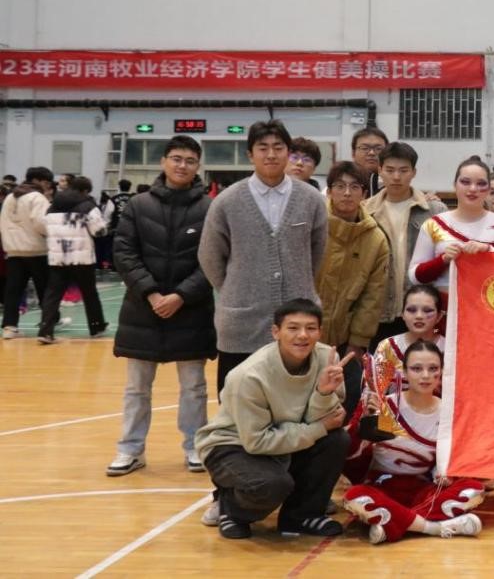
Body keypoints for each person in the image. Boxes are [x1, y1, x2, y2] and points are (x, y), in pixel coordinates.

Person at [194, 299, 351, 540]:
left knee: (336, 439)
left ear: (320, 332)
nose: (302, 335)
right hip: (233, 444)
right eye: (293, 328)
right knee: (272, 484)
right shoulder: (249, 375)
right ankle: (232, 510)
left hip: (284, 435)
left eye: (310, 328)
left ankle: (301, 516)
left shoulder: (327, 359)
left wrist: (323, 393)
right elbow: (256, 442)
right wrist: (317, 428)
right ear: (276, 332)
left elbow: (332, 419)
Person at [107, 136, 214, 477]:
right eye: (176, 158)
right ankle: (130, 449)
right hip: (143, 311)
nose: (182, 165)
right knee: (136, 388)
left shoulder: (209, 208)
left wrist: (181, 295)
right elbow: (124, 253)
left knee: (194, 388)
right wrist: (152, 294)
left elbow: (213, 259)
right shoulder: (138, 206)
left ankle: (195, 446)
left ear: (198, 166)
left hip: (191, 311)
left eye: (190, 160)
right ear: (163, 161)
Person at [199, 120, 329, 394]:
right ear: (250, 154)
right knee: (237, 402)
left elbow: (317, 253)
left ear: (288, 153)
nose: (271, 154)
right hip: (242, 324)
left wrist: (299, 281)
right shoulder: (227, 201)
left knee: (295, 403)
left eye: (278, 148)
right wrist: (236, 289)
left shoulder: (311, 199)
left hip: (297, 326)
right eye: (263, 148)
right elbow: (210, 256)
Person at [343, 340, 484, 543]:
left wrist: (445, 474)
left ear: (442, 373)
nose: (425, 375)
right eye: (417, 369)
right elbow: (350, 455)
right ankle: (434, 527)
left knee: (474, 489)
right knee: (355, 497)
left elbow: (456, 459)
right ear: (404, 373)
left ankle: (394, 523)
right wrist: (363, 422)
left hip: (423, 490)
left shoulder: (449, 412)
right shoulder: (383, 405)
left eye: (433, 369)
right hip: (382, 488)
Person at [315, 161, 390, 418]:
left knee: (346, 406)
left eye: (354, 187)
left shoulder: (375, 239)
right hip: (305, 333)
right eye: (339, 186)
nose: (347, 193)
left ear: (364, 193)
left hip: (345, 339)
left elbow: (372, 297)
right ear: (329, 191)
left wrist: (357, 343)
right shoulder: (313, 225)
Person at [409, 156, 494, 300]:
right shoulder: (433, 224)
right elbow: (415, 277)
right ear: (455, 185)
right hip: (444, 307)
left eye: (481, 183)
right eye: (465, 182)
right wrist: (443, 260)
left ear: (488, 189)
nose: (473, 189)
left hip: (488, 307)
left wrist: (488, 251)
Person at [364, 141, 434, 347]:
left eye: (403, 171)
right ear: (379, 171)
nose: (396, 177)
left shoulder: (433, 211)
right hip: (378, 309)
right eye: (390, 170)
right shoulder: (364, 212)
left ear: (414, 172)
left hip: (420, 310)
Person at [37, 175, 108, 343]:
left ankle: (45, 331)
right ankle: (96, 327)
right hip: (82, 257)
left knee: (53, 294)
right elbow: (99, 230)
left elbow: (43, 228)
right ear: (85, 190)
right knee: (89, 293)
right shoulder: (88, 206)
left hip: (58, 257)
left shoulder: (52, 206)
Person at [1, 166, 54, 339]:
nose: (47, 186)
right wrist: (50, 233)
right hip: (36, 249)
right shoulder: (37, 197)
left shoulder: (10, 196)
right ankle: (47, 326)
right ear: (37, 180)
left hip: (13, 250)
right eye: (46, 182)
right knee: (44, 289)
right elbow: (40, 222)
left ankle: (9, 327)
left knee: (13, 290)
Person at [374, 284, 445, 379]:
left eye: (427, 310)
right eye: (411, 310)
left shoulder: (449, 349)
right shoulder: (387, 347)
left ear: (439, 316)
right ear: (402, 314)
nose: (419, 316)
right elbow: (373, 386)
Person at [351, 127, 390, 197]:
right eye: (364, 148)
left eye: (378, 148)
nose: (371, 153)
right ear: (353, 153)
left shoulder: (395, 184)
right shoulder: (341, 184)